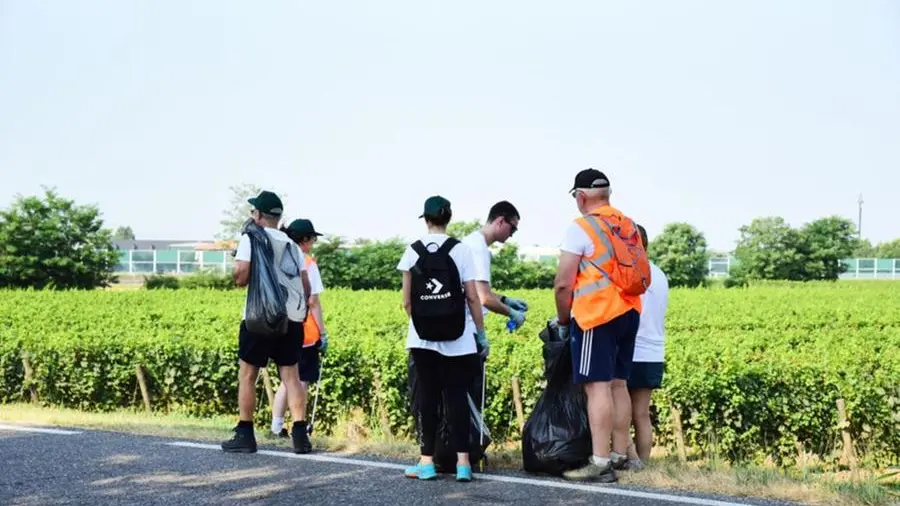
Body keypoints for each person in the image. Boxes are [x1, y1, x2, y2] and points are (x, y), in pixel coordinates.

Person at [550, 169, 649, 482]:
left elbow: (563, 283)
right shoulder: (627, 224)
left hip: (597, 315)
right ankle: (620, 453)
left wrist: (564, 320)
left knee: (597, 387)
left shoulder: (581, 227)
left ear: (580, 197)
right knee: (619, 383)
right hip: (630, 311)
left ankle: (600, 460)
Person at [398, 195, 488, 483]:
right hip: (458, 338)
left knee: (428, 397)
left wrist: (425, 324)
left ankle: (426, 462)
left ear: (425, 219)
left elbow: (406, 301)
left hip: (422, 339)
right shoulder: (461, 250)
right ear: (449, 218)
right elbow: (473, 296)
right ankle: (463, 465)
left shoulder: (412, 251)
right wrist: (480, 333)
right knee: (456, 396)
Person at [221, 190, 313, 455]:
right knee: (291, 376)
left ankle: (245, 433)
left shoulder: (251, 238)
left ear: (259, 215)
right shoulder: (293, 245)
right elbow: (304, 281)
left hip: (260, 316)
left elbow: (241, 274)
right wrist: (301, 310)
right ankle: (300, 435)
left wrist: (239, 277)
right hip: (292, 317)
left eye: (254, 211)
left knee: (248, 375)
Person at [270, 218, 329, 444]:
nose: (313, 243)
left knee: (286, 379)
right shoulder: (307, 262)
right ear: (304, 240)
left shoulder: (280, 258)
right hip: (305, 332)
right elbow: (313, 301)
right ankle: (298, 425)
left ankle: (276, 425)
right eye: (312, 238)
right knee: (300, 380)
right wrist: (322, 333)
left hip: (281, 326)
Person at [626, 224, 669, 465]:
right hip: (654, 352)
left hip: (631, 350)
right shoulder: (660, 275)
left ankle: (629, 457)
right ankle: (643, 462)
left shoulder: (632, 272)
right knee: (641, 414)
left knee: (616, 408)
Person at [461, 201, 529, 331]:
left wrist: (505, 300)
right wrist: (511, 313)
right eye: (513, 228)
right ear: (501, 221)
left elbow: (477, 290)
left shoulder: (472, 241)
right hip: (468, 325)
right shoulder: (478, 248)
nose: (512, 234)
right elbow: (484, 298)